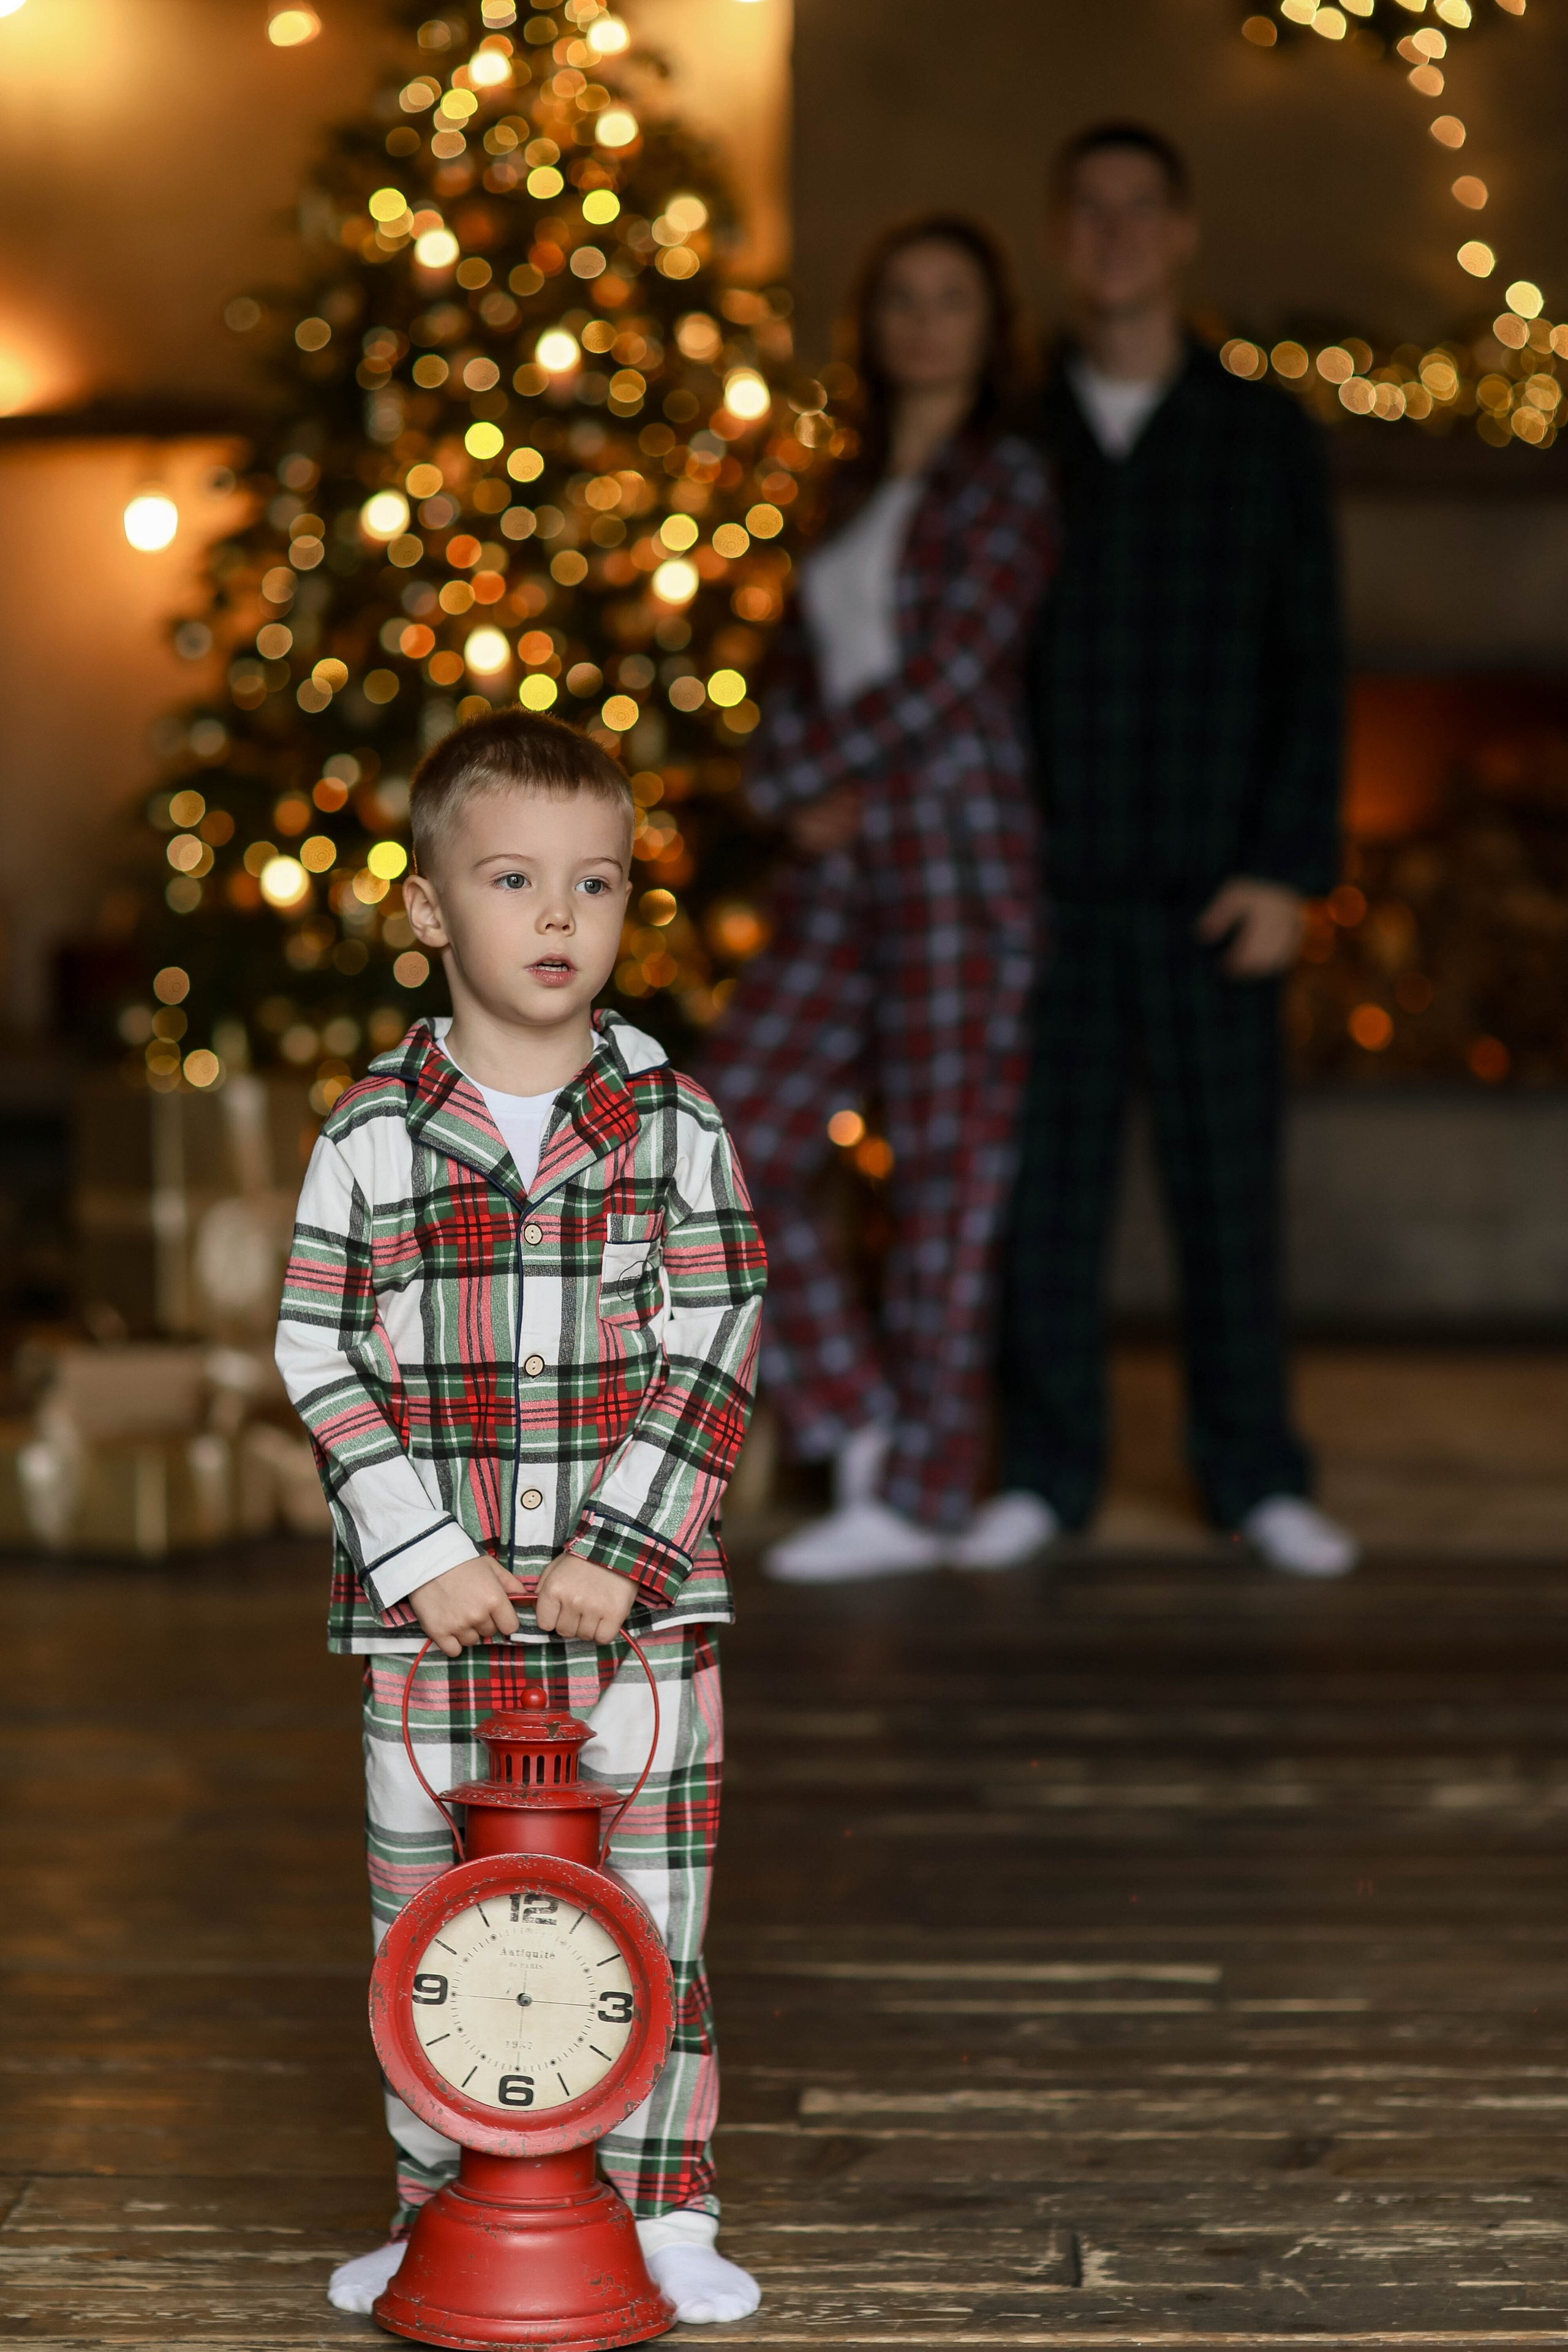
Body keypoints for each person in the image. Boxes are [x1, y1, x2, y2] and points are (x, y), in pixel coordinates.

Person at [275, 710, 767, 2326]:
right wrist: (428, 1558)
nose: (560, 918)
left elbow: (717, 1336)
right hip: (437, 1634)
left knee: (648, 1918)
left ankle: (665, 2204)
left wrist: (619, 1558)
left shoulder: (678, 1126)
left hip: (641, 1631)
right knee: (433, 1919)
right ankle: (437, 2204)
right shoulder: (369, 1139)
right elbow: (321, 1347)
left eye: (598, 883)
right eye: (511, 880)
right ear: (430, 914)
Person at [996, 123, 1359, 1578]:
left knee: (1227, 1210)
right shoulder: (1010, 437)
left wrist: (1285, 867)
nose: (1114, 234)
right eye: (1086, 211)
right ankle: (1043, 1473)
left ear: (1181, 230)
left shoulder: (1261, 433)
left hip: (1219, 896)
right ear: (1059, 234)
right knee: (1049, 1208)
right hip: (1048, 900)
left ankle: (1253, 1476)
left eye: (1138, 210)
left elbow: (1309, 664)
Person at [701, 217, 1055, 1582]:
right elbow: (790, 674)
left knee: (949, 1178)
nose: (921, 323)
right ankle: (853, 1420)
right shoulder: (841, 492)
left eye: (949, 299)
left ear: (988, 324)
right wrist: (786, 792)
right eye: (898, 299)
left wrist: (791, 774)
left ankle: (917, 1498)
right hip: (841, 869)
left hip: (958, 866)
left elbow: (954, 670)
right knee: (725, 1141)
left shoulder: (1006, 484)